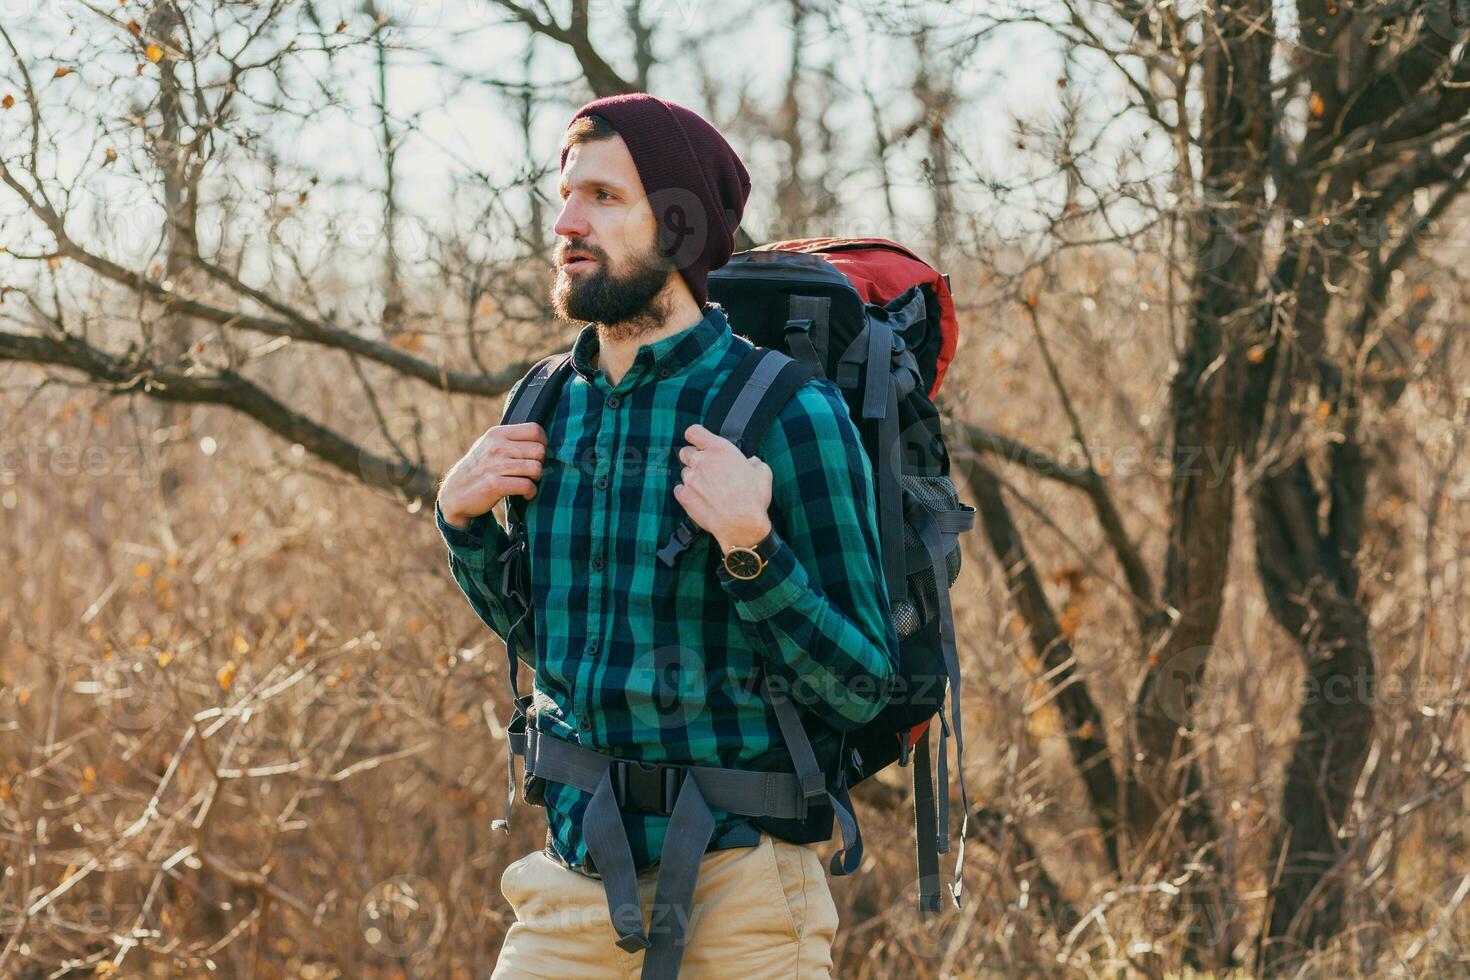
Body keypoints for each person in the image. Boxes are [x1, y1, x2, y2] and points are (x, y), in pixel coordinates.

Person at [434, 92, 899, 979]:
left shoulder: (788, 411)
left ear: (680, 228)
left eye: (605, 198)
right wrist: (464, 529)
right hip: (572, 886)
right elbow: (552, 642)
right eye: (566, 194)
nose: (568, 221)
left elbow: (860, 686)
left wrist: (752, 551)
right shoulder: (544, 406)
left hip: (748, 893)